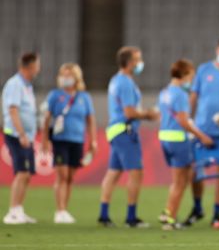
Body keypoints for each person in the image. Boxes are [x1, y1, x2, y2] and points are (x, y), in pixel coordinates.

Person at [98, 46, 159, 228]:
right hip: (125, 131)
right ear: (130, 62)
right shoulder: (125, 82)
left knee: (113, 173)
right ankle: (131, 218)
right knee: (136, 173)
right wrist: (149, 114)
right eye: (138, 59)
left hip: (115, 130)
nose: (140, 62)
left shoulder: (116, 80)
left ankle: (104, 215)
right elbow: (129, 111)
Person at [186, 36, 219, 228]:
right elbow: (194, 96)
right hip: (202, 129)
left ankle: (218, 214)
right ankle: (198, 207)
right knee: (195, 171)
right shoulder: (204, 70)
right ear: (218, 50)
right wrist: (189, 122)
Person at [157, 59, 213, 230]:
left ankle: (168, 212)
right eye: (191, 76)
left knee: (176, 180)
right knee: (181, 182)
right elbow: (183, 120)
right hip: (179, 140)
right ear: (183, 75)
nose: (192, 80)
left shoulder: (165, 92)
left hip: (165, 138)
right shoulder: (180, 94)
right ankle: (171, 219)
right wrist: (201, 136)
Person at [41, 63, 98, 224]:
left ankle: (65, 209)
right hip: (60, 140)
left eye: (69, 75)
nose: (66, 78)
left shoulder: (84, 97)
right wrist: (45, 139)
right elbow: (46, 118)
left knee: (71, 177)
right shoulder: (54, 95)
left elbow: (90, 120)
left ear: (76, 77)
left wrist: (93, 140)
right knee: (62, 175)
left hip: (77, 140)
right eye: (63, 75)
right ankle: (59, 210)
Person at [2, 52, 41, 224]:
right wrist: (22, 134)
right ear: (31, 66)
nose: (39, 68)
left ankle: (18, 209)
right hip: (17, 136)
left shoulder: (27, 85)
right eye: (38, 64)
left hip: (27, 136)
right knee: (21, 172)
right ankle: (11, 212)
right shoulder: (15, 84)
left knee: (26, 174)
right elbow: (13, 110)